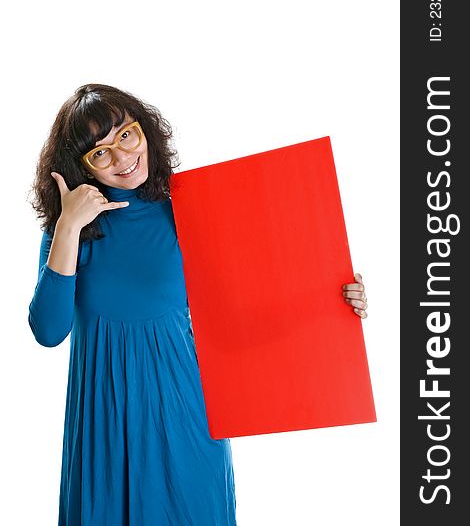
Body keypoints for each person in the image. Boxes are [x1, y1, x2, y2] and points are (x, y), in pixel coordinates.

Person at [27, 83, 368, 525]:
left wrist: (331, 299)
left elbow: (241, 318)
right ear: (81, 167)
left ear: (144, 130)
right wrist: (69, 225)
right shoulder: (70, 232)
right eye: (100, 152)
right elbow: (48, 331)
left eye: (126, 135)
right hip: (103, 424)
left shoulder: (187, 211)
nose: (122, 157)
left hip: (184, 416)